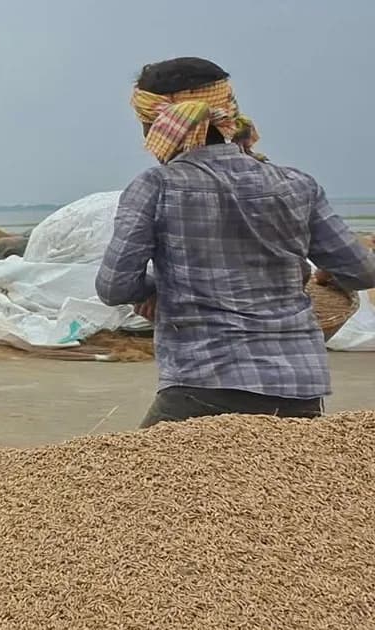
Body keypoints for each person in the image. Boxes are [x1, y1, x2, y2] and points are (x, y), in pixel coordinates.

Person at [96, 56, 375, 428]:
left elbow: (115, 286)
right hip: (299, 388)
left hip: (203, 384)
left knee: (136, 483)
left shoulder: (157, 186)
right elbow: (361, 271)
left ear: (152, 122)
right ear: (229, 112)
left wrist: (160, 290)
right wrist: (326, 277)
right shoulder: (295, 183)